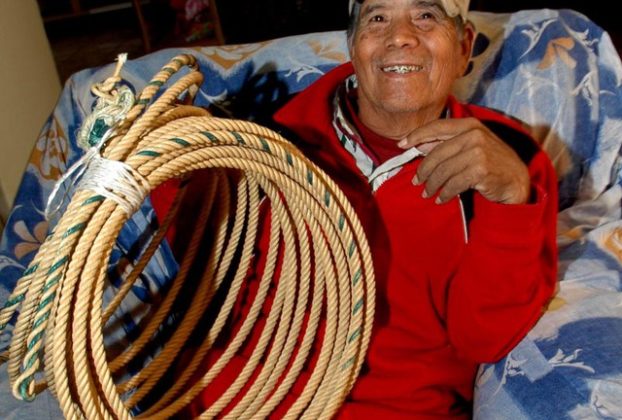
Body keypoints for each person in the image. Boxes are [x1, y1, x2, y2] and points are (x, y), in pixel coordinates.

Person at [171, 0, 557, 417]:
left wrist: (511, 199)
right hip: (232, 401)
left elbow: (485, 338)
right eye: (377, 18)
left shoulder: (508, 161)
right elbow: (189, 279)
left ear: (463, 47)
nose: (400, 36)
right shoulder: (267, 143)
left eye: (426, 15)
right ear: (354, 48)